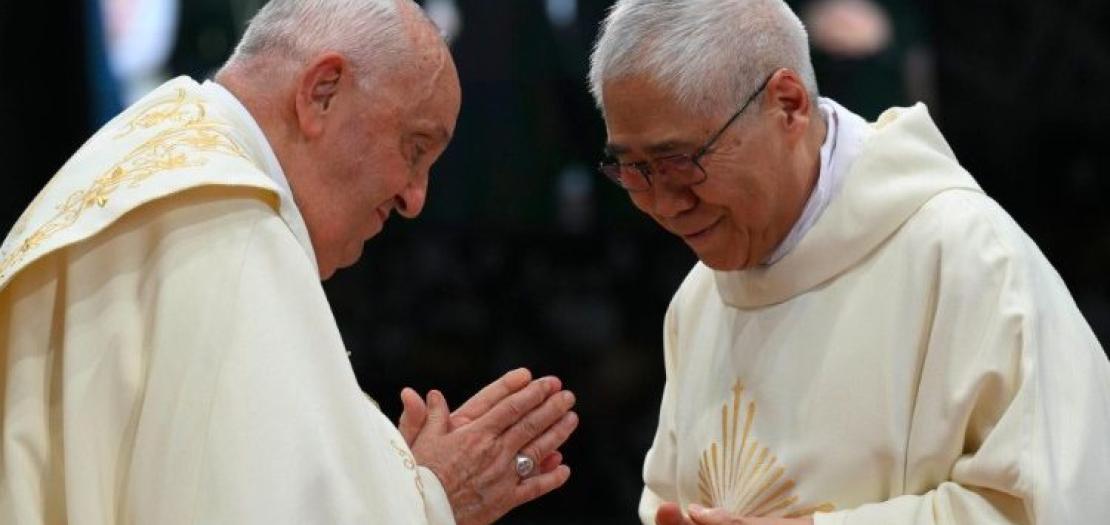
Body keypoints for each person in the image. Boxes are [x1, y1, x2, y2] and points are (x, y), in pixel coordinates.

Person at [0, 1, 578, 524]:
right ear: (321, 92)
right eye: (415, 148)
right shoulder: (228, 227)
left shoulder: (147, 159)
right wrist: (432, 497)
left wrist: (384, 473)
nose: (414, 198)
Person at [587, 0, 1110, 524]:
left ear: (788, 105)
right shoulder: (699, 298)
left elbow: (1042, 504)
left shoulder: (968, 256)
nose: (664, 204)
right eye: (632, 169)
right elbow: (666, 501)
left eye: (680, 162)